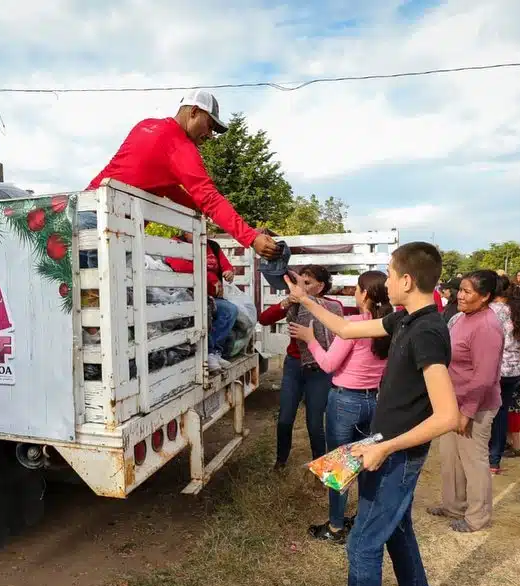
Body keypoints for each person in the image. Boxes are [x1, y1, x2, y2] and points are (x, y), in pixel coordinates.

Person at [284, 242, 458, 586]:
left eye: (389, 271)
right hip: (385, 444)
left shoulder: (428, 333)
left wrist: (384, 447)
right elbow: (345, 331)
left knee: (363, 545)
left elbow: (448, 416)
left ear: (406, 280)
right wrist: (305, 300)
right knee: (398, 530)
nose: (385, 279)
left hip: (396, 453)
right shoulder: (406, 318)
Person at [86, 89, 281, 259]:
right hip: (104, 223)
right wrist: (250, 237)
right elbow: (209, 198)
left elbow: (165, 186)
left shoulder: (146, 125)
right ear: (195, 112)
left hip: (84, 208)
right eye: (210, 126)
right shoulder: (180, 146)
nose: (210, 135)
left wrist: (201, 212)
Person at [289, 271, 392, 543]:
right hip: (374, 400)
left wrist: (311, 339)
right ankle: (363, 519)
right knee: (368, 463)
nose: (354, 293)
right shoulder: (388, 325)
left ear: (365, 295)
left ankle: (335, 527)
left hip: (345, 401)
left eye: (357, 289)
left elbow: (328, 364)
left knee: (341, 466)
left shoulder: (355, 325)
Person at [427, 270, 504, 532]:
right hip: (453, 402)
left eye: (467, 291)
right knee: (450, 457)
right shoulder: (461, 317)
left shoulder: (487, 326)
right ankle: (453, 505)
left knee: (473, 462)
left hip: (476, 406)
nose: (460, 295)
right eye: (460, 289)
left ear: (485, 297)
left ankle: (477, 517)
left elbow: (483, 377)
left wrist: (467, 413)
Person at [261, 266, 343, 468]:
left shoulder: (333, 306)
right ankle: (280, 462)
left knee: (315, 423)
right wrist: (289, 300)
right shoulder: (293, 304)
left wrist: (305, 300)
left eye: (307, 283)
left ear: (321, 286)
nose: (301, 287)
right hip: (294, 366)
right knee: (284, 419)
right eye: (299, 282)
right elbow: (264, 319)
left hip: (319, 368)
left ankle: (320, 467)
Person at [488, 275, 520, 473]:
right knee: (501, 414)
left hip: (491, 369)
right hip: (513, 371)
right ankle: (495, 460)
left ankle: (486, 455)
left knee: (485, 414)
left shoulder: (489, 311)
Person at [165, 234, 237, 371]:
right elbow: (181, 266)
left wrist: (229, 271)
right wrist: (209, 278)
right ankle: (208, 352)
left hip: (212, 295)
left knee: (230, 311)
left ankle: (214, 352)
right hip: (189, 294)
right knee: (208, 309)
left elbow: (224, 263)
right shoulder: (175, 243)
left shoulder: (212, 246)